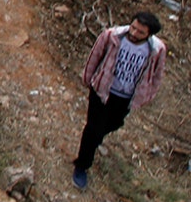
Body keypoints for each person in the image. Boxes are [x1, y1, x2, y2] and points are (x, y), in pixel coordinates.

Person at [72, 13, 168, 190]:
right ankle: (82, 166)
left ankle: (94, 142)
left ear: (149, 34)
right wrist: (88, 78)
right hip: (102, 89)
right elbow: (96, 55)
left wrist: (147, 95)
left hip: (125, 97)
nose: (134, 32)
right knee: (93, 128)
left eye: (140, 32)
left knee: (114, 124)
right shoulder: (112, 36)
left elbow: (157, 75)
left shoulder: (156, 49)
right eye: (133, 27)